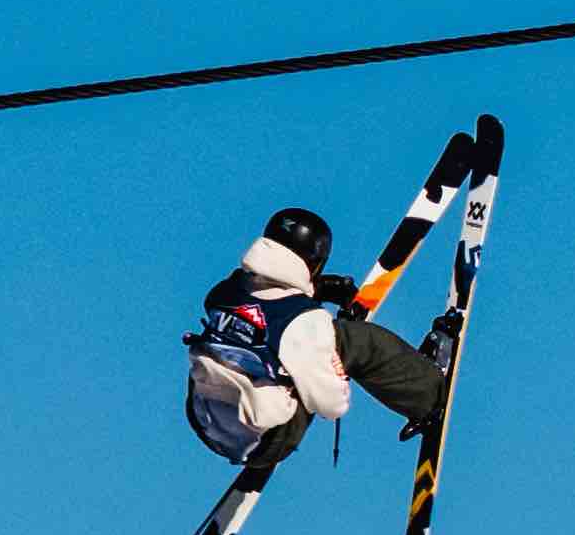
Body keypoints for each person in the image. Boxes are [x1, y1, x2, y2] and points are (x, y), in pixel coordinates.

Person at [181, 203, 453, 473]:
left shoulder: (225, 292)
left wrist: (315, 291)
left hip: (203, 420)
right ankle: (428, 396)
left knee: (265, 353)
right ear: (316, 264)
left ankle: (260, 408)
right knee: (354, 340)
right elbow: (331, 406)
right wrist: (329, 357)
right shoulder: (305, 323)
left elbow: (262, 309)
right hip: (266, 440)